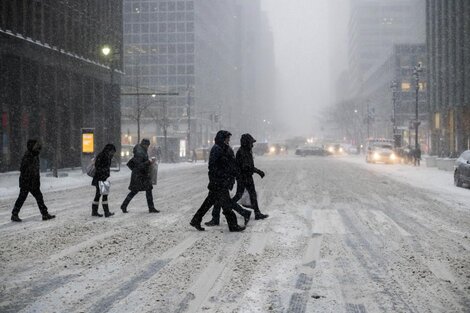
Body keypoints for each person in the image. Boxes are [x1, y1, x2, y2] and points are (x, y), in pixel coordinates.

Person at [190, 130, 245, 232]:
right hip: (219, 183)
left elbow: (230, 165)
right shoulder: (217, 149)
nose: (229, 140)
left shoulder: (225, 148)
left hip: (221, 182)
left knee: (208, 202)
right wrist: (221, 178)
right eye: (227, 138)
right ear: (223, 138)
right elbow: (213, 167)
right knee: (226, 205)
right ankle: (233, 225)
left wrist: (233, 175)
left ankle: (196, 220)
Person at [11, 139, 56, 222]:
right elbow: (24, 169)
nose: (38, 150)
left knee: (38, 197)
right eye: (37, 148)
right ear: (32, 147)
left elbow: (35, 170)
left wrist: (36, 181)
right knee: (23, 198)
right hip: (27, 182)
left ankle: (44, 214)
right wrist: (29, 179)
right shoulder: (28, 156)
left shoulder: (34, 156)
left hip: (33, 183)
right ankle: (15, 214)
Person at [232, 134, 268, 220]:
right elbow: (246, 166)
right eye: (251, 143)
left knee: (251, 195)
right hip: (244, 177)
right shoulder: (242, 152)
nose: (252, 145)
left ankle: (257, 213)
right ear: (246, 143)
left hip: (246, 176)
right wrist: (258, 171)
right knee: (240, 195)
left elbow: (248, 166)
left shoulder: (246, 151)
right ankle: (228, 205)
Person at [121, 139, 159, 213]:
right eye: (147, 145)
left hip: (141, 175)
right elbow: (139, 165)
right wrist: (148, 162)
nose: (148, 147)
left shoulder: (141, 150)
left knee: (145, 190)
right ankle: (124, 205)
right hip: (139, 175)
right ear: (144, 144)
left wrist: (148, 162)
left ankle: (151, 208)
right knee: (135, 191)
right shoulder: (139, 152)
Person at [91, 144, 116, 217]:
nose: (113, 153)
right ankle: (106, 212)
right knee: (103, 195)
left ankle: (95, 211)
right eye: (113, 152)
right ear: (109, 150)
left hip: (101, 178)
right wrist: (104, 173)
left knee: (98, 195)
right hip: (101, 178)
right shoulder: (104, 156)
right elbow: (98, 166)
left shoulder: (104, 155)